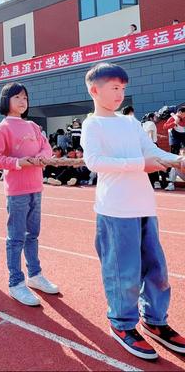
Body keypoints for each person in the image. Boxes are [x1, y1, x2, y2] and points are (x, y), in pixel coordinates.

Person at [81, 62, 185, 360]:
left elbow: (150, 152)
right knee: (123, 271)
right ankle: (122, 323)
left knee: (157, 269)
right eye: (114, 88)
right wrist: (141, 165)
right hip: (115, 209)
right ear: (94, 90)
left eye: (123, 89)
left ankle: (155, 320)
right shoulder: (93, 124)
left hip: (144, 205)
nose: (120, 94)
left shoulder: (130, 123)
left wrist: (176, 160)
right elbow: (95, 162)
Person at [0, 82, 58, 306]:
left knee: (33, 235)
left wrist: (43, 157)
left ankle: (35, 275)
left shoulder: (34, 127)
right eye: (16, 97)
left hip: (36, 188)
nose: (22, 101)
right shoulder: (3, 127)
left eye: (25, 98)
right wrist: (18, 162)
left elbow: (47, 148)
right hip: (16, 191)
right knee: (16, 237)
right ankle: (16, 282)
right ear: (5, 100)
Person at [142, 113, 161, 190]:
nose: (156, 118)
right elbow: (150, 135)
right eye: (155, 117)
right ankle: (156, 182)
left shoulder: (144, 124)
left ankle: (150, 182)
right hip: (152, 145)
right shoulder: (151, 123)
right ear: (151, 118)